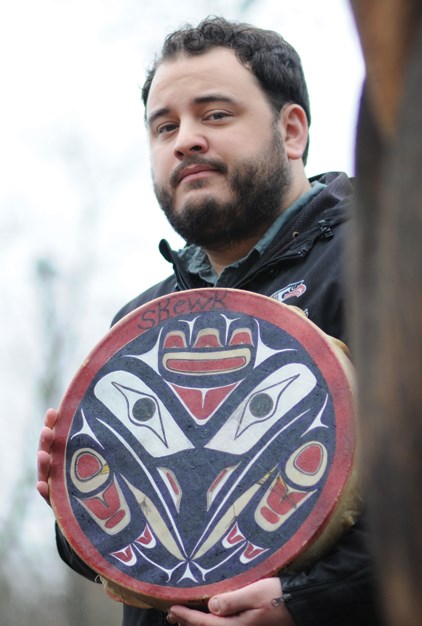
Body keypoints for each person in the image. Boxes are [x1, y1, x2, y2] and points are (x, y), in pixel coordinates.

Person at [35, 16, 380, 626]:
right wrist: (77, 506)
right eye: (164, 126)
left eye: (215, 115)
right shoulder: (138, 320)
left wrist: (305, 604)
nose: (185, 139)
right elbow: (127, 565)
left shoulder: (384, 262)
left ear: (292, 130)